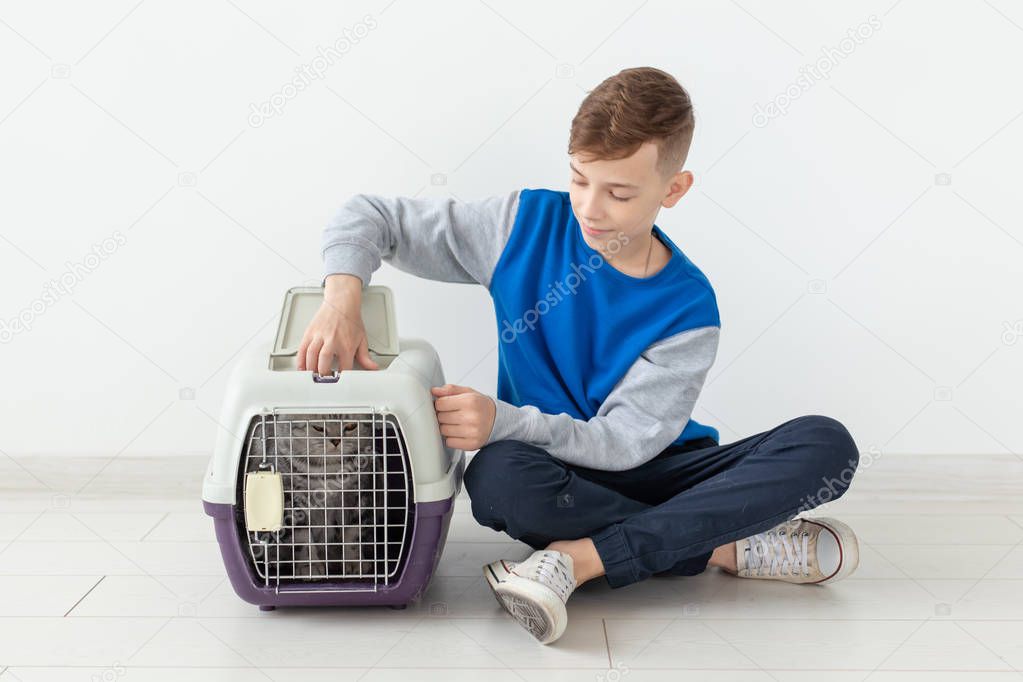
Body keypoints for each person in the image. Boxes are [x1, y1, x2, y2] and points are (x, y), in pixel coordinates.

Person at [298, 66, 861, 646]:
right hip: (554, 474)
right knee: (496, 476)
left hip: (657, 469)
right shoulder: (523, 224)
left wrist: (503, 419)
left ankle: (580, 559)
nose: (590, 208)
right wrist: (343, 296)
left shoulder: (688, 307)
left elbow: (622, 444)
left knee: (825, 443)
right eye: (579, 180)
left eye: (619, 192)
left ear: (674, 190)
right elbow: (371, 216)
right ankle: (717, 546)